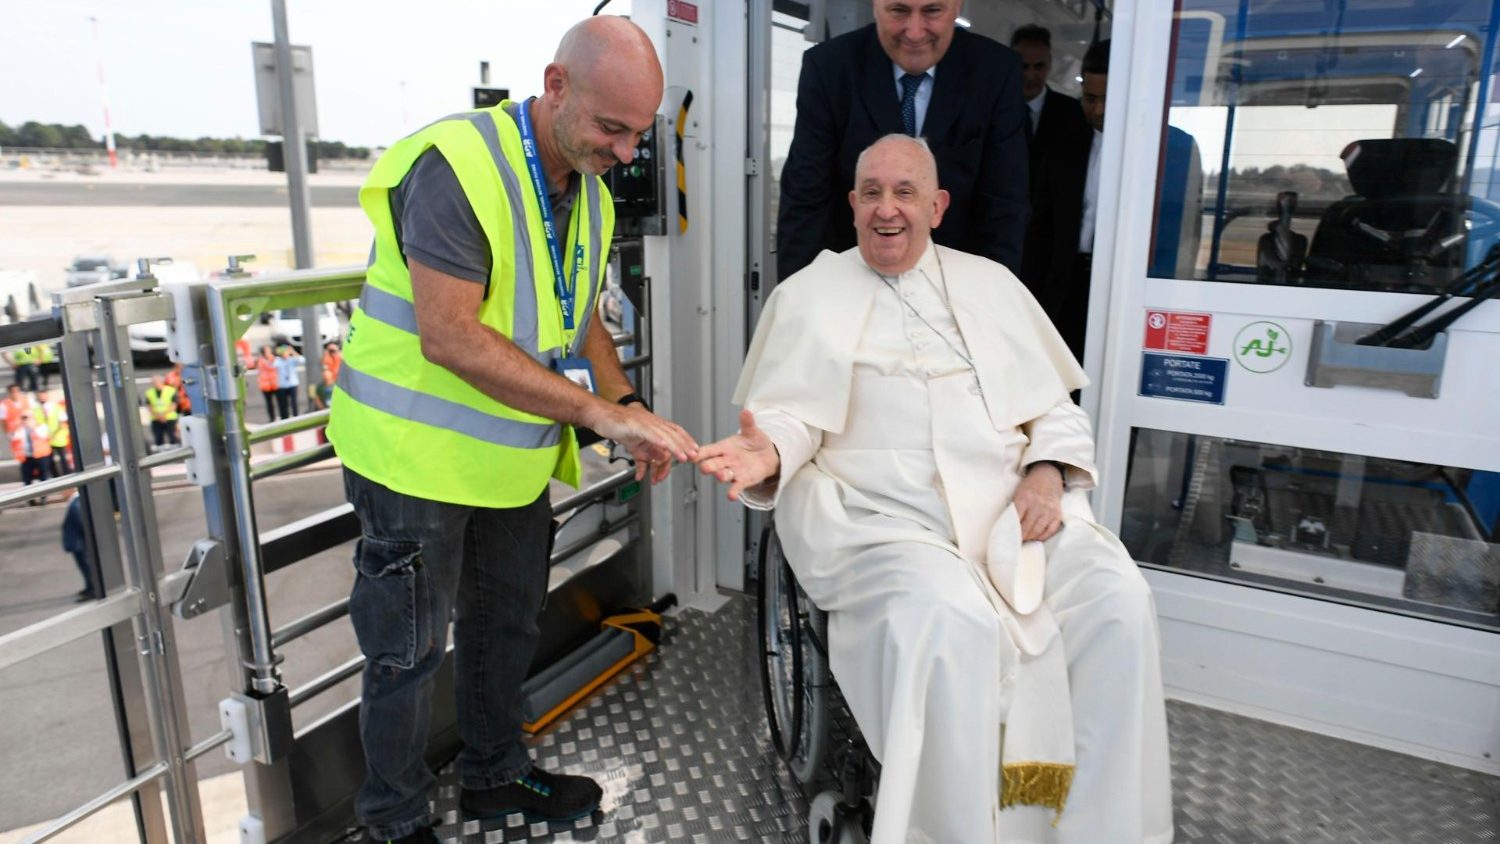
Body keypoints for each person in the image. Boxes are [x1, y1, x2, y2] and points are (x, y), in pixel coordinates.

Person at [696, 135, 1171, 843]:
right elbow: (792, 415)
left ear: (938, 206)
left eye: (906, 192)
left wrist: (1046, 473)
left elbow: (1054, 409)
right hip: (882, 517)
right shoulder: (808, 296)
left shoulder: (993, 285)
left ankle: (1092, 828)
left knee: (1119, 602)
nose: (888, 209)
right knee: (956, 624)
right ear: (852, 204)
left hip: (1012, 506)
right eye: (872, 193)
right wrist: (768, 452)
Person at [323, 16, 698, 844]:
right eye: (613, 128)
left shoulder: (590, 192)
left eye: (641, 133)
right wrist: (592, 414)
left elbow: (579, 311)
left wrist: (625, 405)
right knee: (406, 654)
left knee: (505, 627)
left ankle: (495, 777)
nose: (628, 152)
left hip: (506, 463)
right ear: (555, 85)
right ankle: (394, 820)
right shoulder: (457, 166)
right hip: (411, 459)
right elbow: (449, 335)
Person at [775, 0, 1030, 281]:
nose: (915, 33)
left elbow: (1005, 205)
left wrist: (990, 304)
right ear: (875, 6)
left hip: (958, 285)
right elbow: (805, 200)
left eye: (932, 11)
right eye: (899, 11)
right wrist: (801, 301)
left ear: (957, 6)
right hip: (852, 280)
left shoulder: (995, 72)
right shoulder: (829, 68)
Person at [1022, 39, 1109, 362]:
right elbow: (1040, 228)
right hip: (1065, 283)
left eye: (1108, 100)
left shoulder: (1161, 151)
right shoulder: (1063, 146)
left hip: (1116, 284)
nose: (1098, 110)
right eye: (1090, 98)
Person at [1011, 25, 1089, 193]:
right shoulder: (993, 111)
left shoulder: (1072, 114)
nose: (1030, 75)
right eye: (1023, 66)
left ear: (1049, 64)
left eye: (1038, 66)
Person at [10, 409, 54, 501]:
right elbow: (13, 438)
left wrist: (33, 427)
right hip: (26, 457)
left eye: (27, 418)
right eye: (23, 418)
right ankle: (30, 499)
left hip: (41, 456)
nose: (25, 420)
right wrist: (19, 426)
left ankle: (43, 497)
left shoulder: (41, 427)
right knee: (27, 478)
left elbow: (44, 436)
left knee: (43, 477)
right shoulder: (20, 429)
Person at [36, 390, 71, 475]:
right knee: (49, 460)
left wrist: (55, 434)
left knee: (63, 458)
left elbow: (63, 422)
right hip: (44, 439)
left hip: (57, 437)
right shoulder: (36, 410)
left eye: (43, 396)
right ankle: (55, 475)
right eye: (40, 396)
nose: (42, 398)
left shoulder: (56, 407)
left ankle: (67, 473)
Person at [143, 375, 181, 449]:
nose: (154, 384)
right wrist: (157, 415)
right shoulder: (149, 392)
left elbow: (174, 404)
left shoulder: (170, 390)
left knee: (173, 436)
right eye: (153, 382)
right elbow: (149, 405)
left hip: (170, 418)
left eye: (156, 382)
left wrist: (164, 415)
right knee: (158, 437)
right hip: (156, 418)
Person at [248, 344, 280, 421]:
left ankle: (282, 416)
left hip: (275, 383)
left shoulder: (274, 359)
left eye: (269, 350)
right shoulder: (259, 360)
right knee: (269, 403)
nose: (269, 351)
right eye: (267, 350)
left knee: (280, 402)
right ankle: (272, 418)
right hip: (265, 385)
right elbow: (252, 366)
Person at [272, 345, 304, 419]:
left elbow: (302, 360)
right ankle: (285, 418)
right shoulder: (278, 360)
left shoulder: (292, 359)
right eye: (283, 353)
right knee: (284, 403)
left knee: (294, 402)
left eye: (286, 353)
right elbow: (273, 365)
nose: (285, 355)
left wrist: (293, 352)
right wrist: (278, 354)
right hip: (282, 385)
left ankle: (296, 416)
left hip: (293, 384)